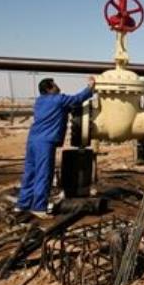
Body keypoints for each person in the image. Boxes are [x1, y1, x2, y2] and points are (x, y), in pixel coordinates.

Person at [15, 76, 95, 219]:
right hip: (45, 142)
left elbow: (64, 109)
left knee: (30, 173)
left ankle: (22, 204)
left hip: (33, 140)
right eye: (55, 85)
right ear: (49, 89)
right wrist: (90, 87)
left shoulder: (39, 101)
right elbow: (77, 99)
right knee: (43, 174)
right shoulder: (58, 99)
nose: (58, 87)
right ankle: (39, 207)